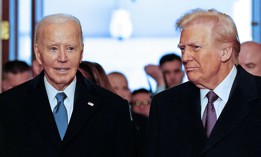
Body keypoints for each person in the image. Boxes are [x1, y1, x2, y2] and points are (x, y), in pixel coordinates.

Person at [0, 14, 132, 157]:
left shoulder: (113, 108)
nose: (62, 58)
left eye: (70, 48)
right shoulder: (8, 106)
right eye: (53, 49)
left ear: (81, 53)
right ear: (38, 54)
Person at [145, 8, 261, 157]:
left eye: (195, 48)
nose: (185, 57)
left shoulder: (256, 95)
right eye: (182, 49)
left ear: (225, 52)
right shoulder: (165, 104)